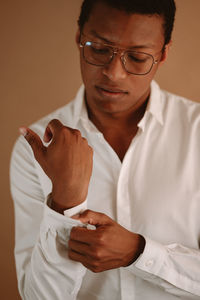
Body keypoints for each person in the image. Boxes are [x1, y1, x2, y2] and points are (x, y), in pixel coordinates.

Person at [10, 0, 200, 299]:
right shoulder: (33, 151)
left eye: (137, 57)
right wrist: (65, 202)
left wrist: (140, 253)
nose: (114, 73)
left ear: (163, 54)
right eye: (98, 49)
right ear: (78, 38)